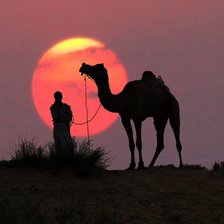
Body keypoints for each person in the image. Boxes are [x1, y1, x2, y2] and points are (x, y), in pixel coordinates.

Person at [50, 91, 73, 161]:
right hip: (57, 127)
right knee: (58, 143)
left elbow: (70, 117)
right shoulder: (53, 107)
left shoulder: (66, 107)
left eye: (59, 96)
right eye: (57, 96)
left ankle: (68, 159)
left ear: (61, 97)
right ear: (55, 97)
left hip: (64, 127)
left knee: (66, 142)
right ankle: (59, 160)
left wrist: (63, 119)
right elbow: (54, 116)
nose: (58, 98)